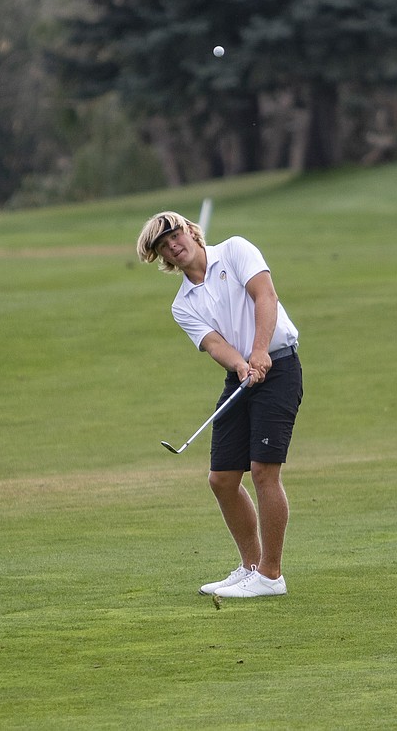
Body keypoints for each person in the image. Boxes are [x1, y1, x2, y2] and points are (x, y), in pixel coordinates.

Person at [137, 211, 303, 598]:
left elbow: (266, 295)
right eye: (164, 246)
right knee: (222, 479)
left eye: (175, 235)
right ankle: (250, 568)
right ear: (163, 258)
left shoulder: (235, 250)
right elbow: (214, 344)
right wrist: (243, 365)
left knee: (263, 472)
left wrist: (260, 352)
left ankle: (271, 576)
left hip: (279, 367)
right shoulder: (183, 304)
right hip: (241, 377)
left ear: (190, 231)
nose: (173, 245)